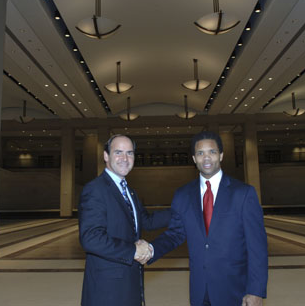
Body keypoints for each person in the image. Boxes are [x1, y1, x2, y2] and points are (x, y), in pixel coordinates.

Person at [149, 131, 268, 306]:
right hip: (199, 290)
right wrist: (151, 249)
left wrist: (256, 290)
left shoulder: (243, 193)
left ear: (221, 155)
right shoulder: (183, 195)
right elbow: (175, 234)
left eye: (212, 152)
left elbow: (257, 246)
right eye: (200, 153)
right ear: (193, 158)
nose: (206, 158)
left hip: (234, 290)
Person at [78, 134, 171, 306]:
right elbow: (91, 238)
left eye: (130, 153)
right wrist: (132, 251)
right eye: (118, 152)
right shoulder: (95, 189)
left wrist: (183, 210)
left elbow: (146, 221)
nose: (125, 158)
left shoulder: (129, 190)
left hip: (129, 281)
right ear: (106, 156)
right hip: (107, 289)